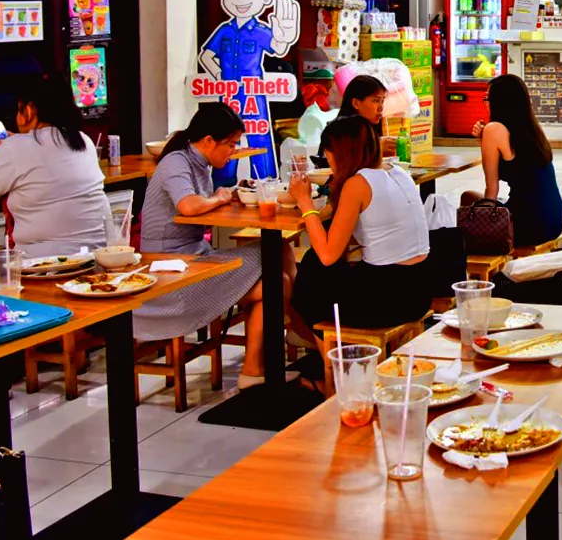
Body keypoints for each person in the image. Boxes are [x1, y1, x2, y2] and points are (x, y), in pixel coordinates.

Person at [133, 102, 295, 389]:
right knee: (276, 270)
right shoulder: (176, 162)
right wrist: (220, 198)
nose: (233, 151)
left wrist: (228, 193)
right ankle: (289, 338)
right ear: (208, 141)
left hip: (192, 257)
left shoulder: (197, 162)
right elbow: (188, 205)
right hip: (172, 270)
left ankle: (262, 362)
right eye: (230, 145)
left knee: (277, 271)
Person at [0, 79, 114, 289]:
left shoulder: (16, 147)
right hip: (96, 255)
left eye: (18, 109)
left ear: (29, 111)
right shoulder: (82, 140)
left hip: (45, 261)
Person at [288, 116, 433, 330]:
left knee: (310, 277)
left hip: (388, 299)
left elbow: (327, 255)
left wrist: (304, 201)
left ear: (341, 153)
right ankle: (325, 342)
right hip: (421, 289)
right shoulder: (399, 172)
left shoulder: (357, 183)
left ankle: (328, 348)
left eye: (328, 154)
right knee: (315, 267)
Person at [197, 0, 301, 182]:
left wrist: (284, 36)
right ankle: (222, 183)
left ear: (265, 0)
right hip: (228, 97)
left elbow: (278, 47)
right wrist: (219, 76)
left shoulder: (261, 31)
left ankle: (266, 181)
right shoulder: (224, 30)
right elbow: (205, 56)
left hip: (254, 94)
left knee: (259, 137)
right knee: (224, 140)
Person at [464, 73, 562, 248]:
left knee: (467, 199)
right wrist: (483, 139)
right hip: (554, 221)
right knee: (473, 199)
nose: (486, 104)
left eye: (487, 98)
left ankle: (476, 259)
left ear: (499, 102)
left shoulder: (493, 129)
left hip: (529, 225)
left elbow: (491, 188)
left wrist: (484, 229)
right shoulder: (531, 131)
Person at [341, 74, 398, 159]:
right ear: (356, 103)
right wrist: (376, 149)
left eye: (382, 101)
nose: (381, 108)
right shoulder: (338, 134)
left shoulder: (371, 130)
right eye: (376, 101)